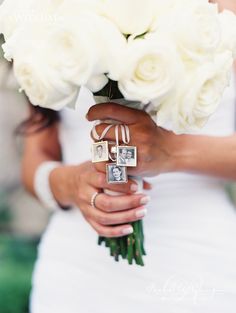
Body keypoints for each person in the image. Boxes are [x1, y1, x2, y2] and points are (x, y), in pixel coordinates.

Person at [21, 2, 236, 312]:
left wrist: (172, 152)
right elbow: (37, 155)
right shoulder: (47, 9)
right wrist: (71, 183)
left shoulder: (223, 8)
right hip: (75, 276)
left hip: (196, 266)